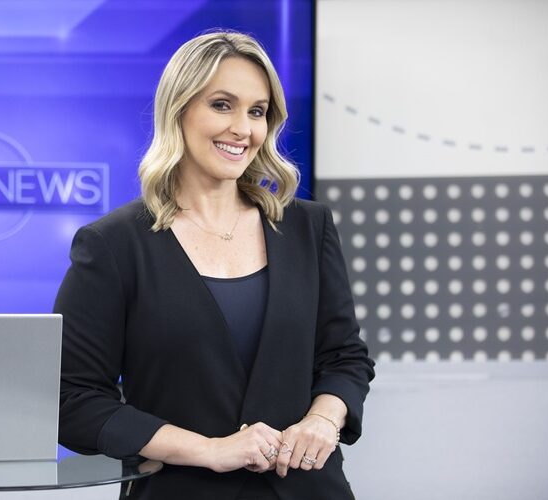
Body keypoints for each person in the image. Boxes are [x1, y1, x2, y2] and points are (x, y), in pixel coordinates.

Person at [54, 31, 375, 500]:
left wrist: (323, 420)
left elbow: (344, 357)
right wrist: (209, 450)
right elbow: (71, 399)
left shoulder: (310, 227)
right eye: (222, 105)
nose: (243, 129)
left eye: (257, 111)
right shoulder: (112, 245)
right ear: (178, 110)